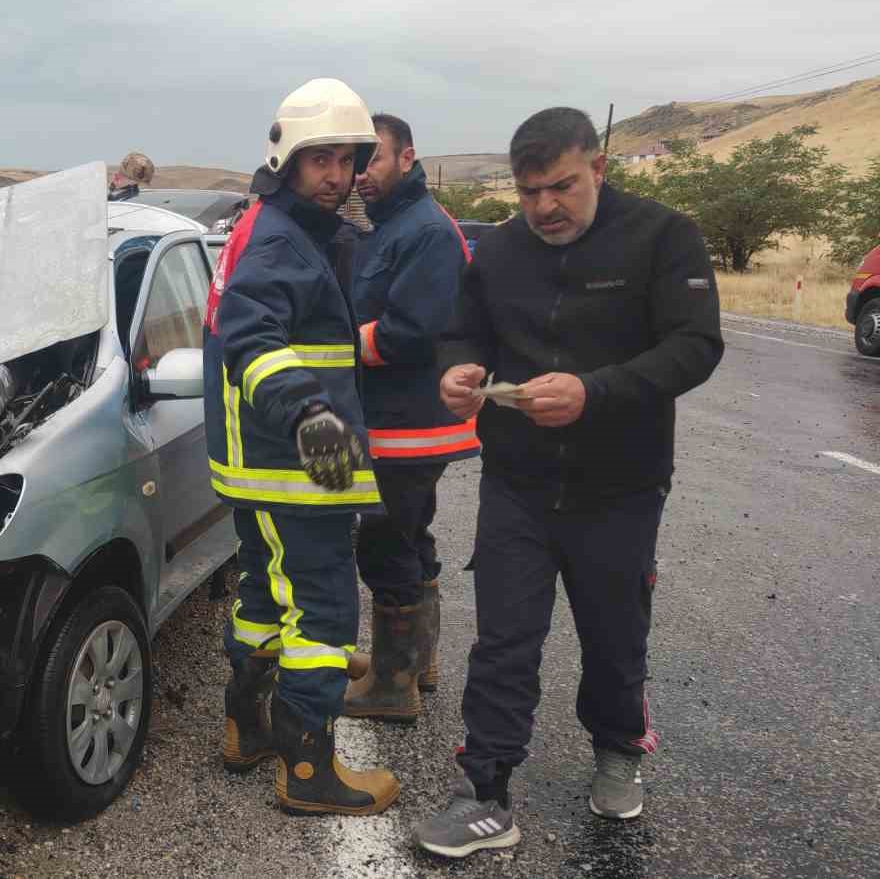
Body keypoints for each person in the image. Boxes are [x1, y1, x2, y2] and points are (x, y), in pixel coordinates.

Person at [414, 107, 723, 858]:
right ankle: (485, 792)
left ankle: (618, 749)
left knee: (615, 635)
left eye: (562, 186)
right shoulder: (502, 251)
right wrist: (456, 369)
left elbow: (696, 345)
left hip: (621, 484)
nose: (544, 207)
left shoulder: (663, 235)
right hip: (516, 481)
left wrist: (596, 391)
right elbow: (465, 331)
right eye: (528, 192)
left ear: (600, 169)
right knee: (504, 639)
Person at [204, 77, 398, 817]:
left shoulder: (274, 227)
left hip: (265, 465)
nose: (336, 176)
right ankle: (309, 770)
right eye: (320, 159)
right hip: (295, 463)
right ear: (287, 158)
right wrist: (312, 415)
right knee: (319, 615)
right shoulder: (281, 238)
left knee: (263, 598)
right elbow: (252, 342)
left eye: (347, 160)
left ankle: (245, 727)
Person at [339, 114, 479, 725]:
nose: (359, 175)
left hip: (406, 425)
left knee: (384, 544)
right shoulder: (396, 223)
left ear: (407, 158)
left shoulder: (424, 232)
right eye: (354, 162)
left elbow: (411, 331)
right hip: (404, 423)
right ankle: (416, 661)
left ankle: (392, 687)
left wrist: (339, 347)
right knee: (410, 537)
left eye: (371, 160)